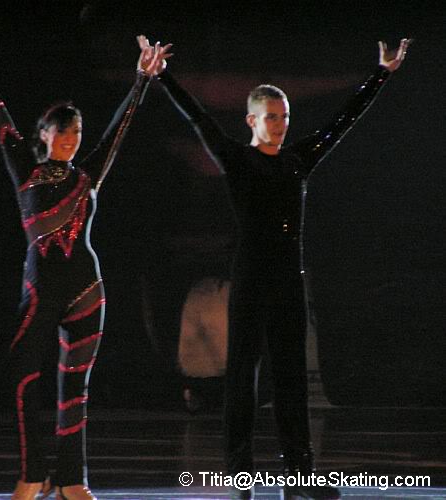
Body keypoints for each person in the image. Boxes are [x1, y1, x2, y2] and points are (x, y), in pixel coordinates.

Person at [139, 34, 410, 499]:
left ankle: (300, 477)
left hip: (288, 283)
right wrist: (163, 77)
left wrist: (380, 75)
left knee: (291, 385)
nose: (280, 125)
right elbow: (198, 118)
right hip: (251, 280)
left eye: (284, 117)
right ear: (252, 120)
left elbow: (342, 121)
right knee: (242, 382)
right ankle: (239, 476)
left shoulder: (298, 161)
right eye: (271, 117)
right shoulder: (237, 159)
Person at [0, 24, 171, 500]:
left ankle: (72, 480)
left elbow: (119, 129)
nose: (71, 138)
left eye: (77, 131)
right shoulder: (24, 170)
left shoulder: (88, 177)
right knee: (24, 376)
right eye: (62, 130)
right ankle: (33, 475)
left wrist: (142, 80)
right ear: (43, 134)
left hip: (87, 289)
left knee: (75, 390)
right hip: (39, 291)